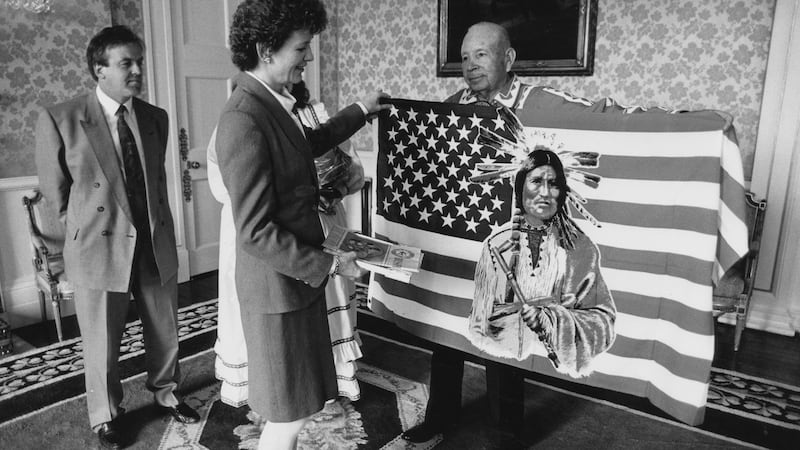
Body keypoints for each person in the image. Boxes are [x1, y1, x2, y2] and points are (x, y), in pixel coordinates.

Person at [215, 1, 388, 448]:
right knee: (287, 418)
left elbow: (307, 143)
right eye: (301, 48)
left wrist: (358, 110)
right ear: (265, 49)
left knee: (300, 407)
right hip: (277, 293)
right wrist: (329, 265)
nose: (308, 57)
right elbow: (253, 230)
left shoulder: (271, 105)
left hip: (292, 287)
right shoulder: (244, 117)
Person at [35, 25, 199, 449]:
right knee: (102, 341)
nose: (138, 70)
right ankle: (105, 414)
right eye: (127, 63)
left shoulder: (155, 118)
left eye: (139, 61)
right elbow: (57, 197)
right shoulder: (61, 118)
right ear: (99, 69)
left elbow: (154, 185)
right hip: (99, 245)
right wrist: (81, 240)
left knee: (165, 329)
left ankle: (166, 392)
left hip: (152, 241)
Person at [401, 21, 533, 445]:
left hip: (509, 246)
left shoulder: (535, 105)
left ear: (507, 59)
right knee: (446, 330)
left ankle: (506, 431)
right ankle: (441, 415)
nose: (470, 66)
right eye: (464, 57)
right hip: (458, 239)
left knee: (503, 337)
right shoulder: (452, 106)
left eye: (481, 55)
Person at [470, 148, 616, 376]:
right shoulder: (495, 245)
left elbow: (603, 321)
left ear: (562, 191)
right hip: (499, 358)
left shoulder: (580, 249)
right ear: (520, 188)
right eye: (536, 181)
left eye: (554, 183)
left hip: (552, 370)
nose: (545, 192)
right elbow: (478, 321)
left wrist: (551, 321)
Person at [293, 81, 366, 401]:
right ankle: (304, 377)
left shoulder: (319, 117)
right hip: (295, 225)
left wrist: (334, 191)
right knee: (305, 296)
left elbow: (355, 172)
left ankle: (340, 375)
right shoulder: (264, 122)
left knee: (336, 289)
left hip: (330, 219)